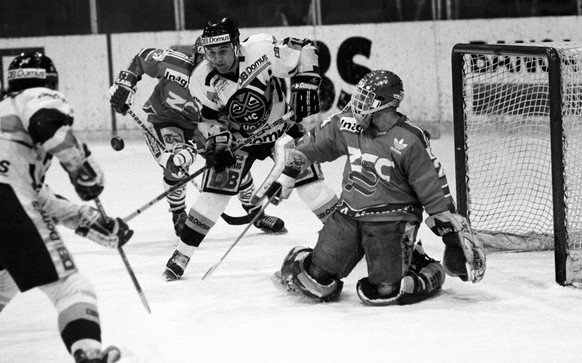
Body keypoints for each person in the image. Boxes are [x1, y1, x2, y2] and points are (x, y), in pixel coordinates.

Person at [252, 69, 487, 305]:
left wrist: (451, 236)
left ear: (386, 104)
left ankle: (423, 265)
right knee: (314, 280)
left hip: (393, 219)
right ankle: (304, 259)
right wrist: (286, 175)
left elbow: (432, 187)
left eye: (367, 98)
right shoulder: (346, 124)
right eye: (359, 96)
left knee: (386, 291)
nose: (358, 104)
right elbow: (307, 147)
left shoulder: (409, 139)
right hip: (348, 215)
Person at [157, 17, 340, 281]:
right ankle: (182, 254)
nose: (217, 59)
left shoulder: (261, 49)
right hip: (241, 140)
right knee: (212, 195)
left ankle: (346, 236)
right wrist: (218, 142)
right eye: (211, 53)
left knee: (312, 188)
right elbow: (207, 120)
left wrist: (307, 83)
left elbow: (305, 48)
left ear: (236, 44)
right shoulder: (200, 79)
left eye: (223, 51)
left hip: (283, 131)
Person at [0, 53, 133, 362]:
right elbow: (46, 122)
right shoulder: (35, 96)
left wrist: (91, 222)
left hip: (10, 197)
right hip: (5, 199)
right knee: (70, 286)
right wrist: (81, 167)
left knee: (4, 283)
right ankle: (88, 353)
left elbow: (39, 196)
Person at [108, 36, 286, 237]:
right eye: (206, 56)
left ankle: (254, 211)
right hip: (165, 121)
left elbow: (223, 118)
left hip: (199, 126)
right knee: (176, 163)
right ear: (195, 56)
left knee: (232, 162)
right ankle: (178, 214)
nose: (211, 64)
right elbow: (142, 57)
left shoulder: (225, 80)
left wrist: (217, 144)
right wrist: (125, 84)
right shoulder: (174, 63)